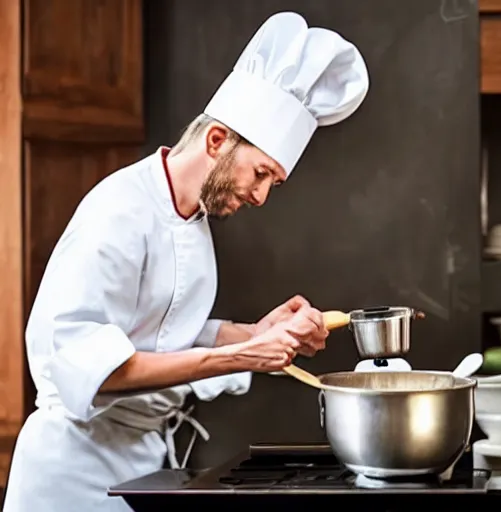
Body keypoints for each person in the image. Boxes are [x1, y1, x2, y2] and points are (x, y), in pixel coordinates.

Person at [3, 11, 369, 512]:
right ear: (217, 141)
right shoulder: (119, 211)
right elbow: (96, 370)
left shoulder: (192, 217)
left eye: (273, 184)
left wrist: (255, 334)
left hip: (143, 462)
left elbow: (162, 331)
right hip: (72, 470)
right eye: (260, 173)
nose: (261, 197)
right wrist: (241, 357)